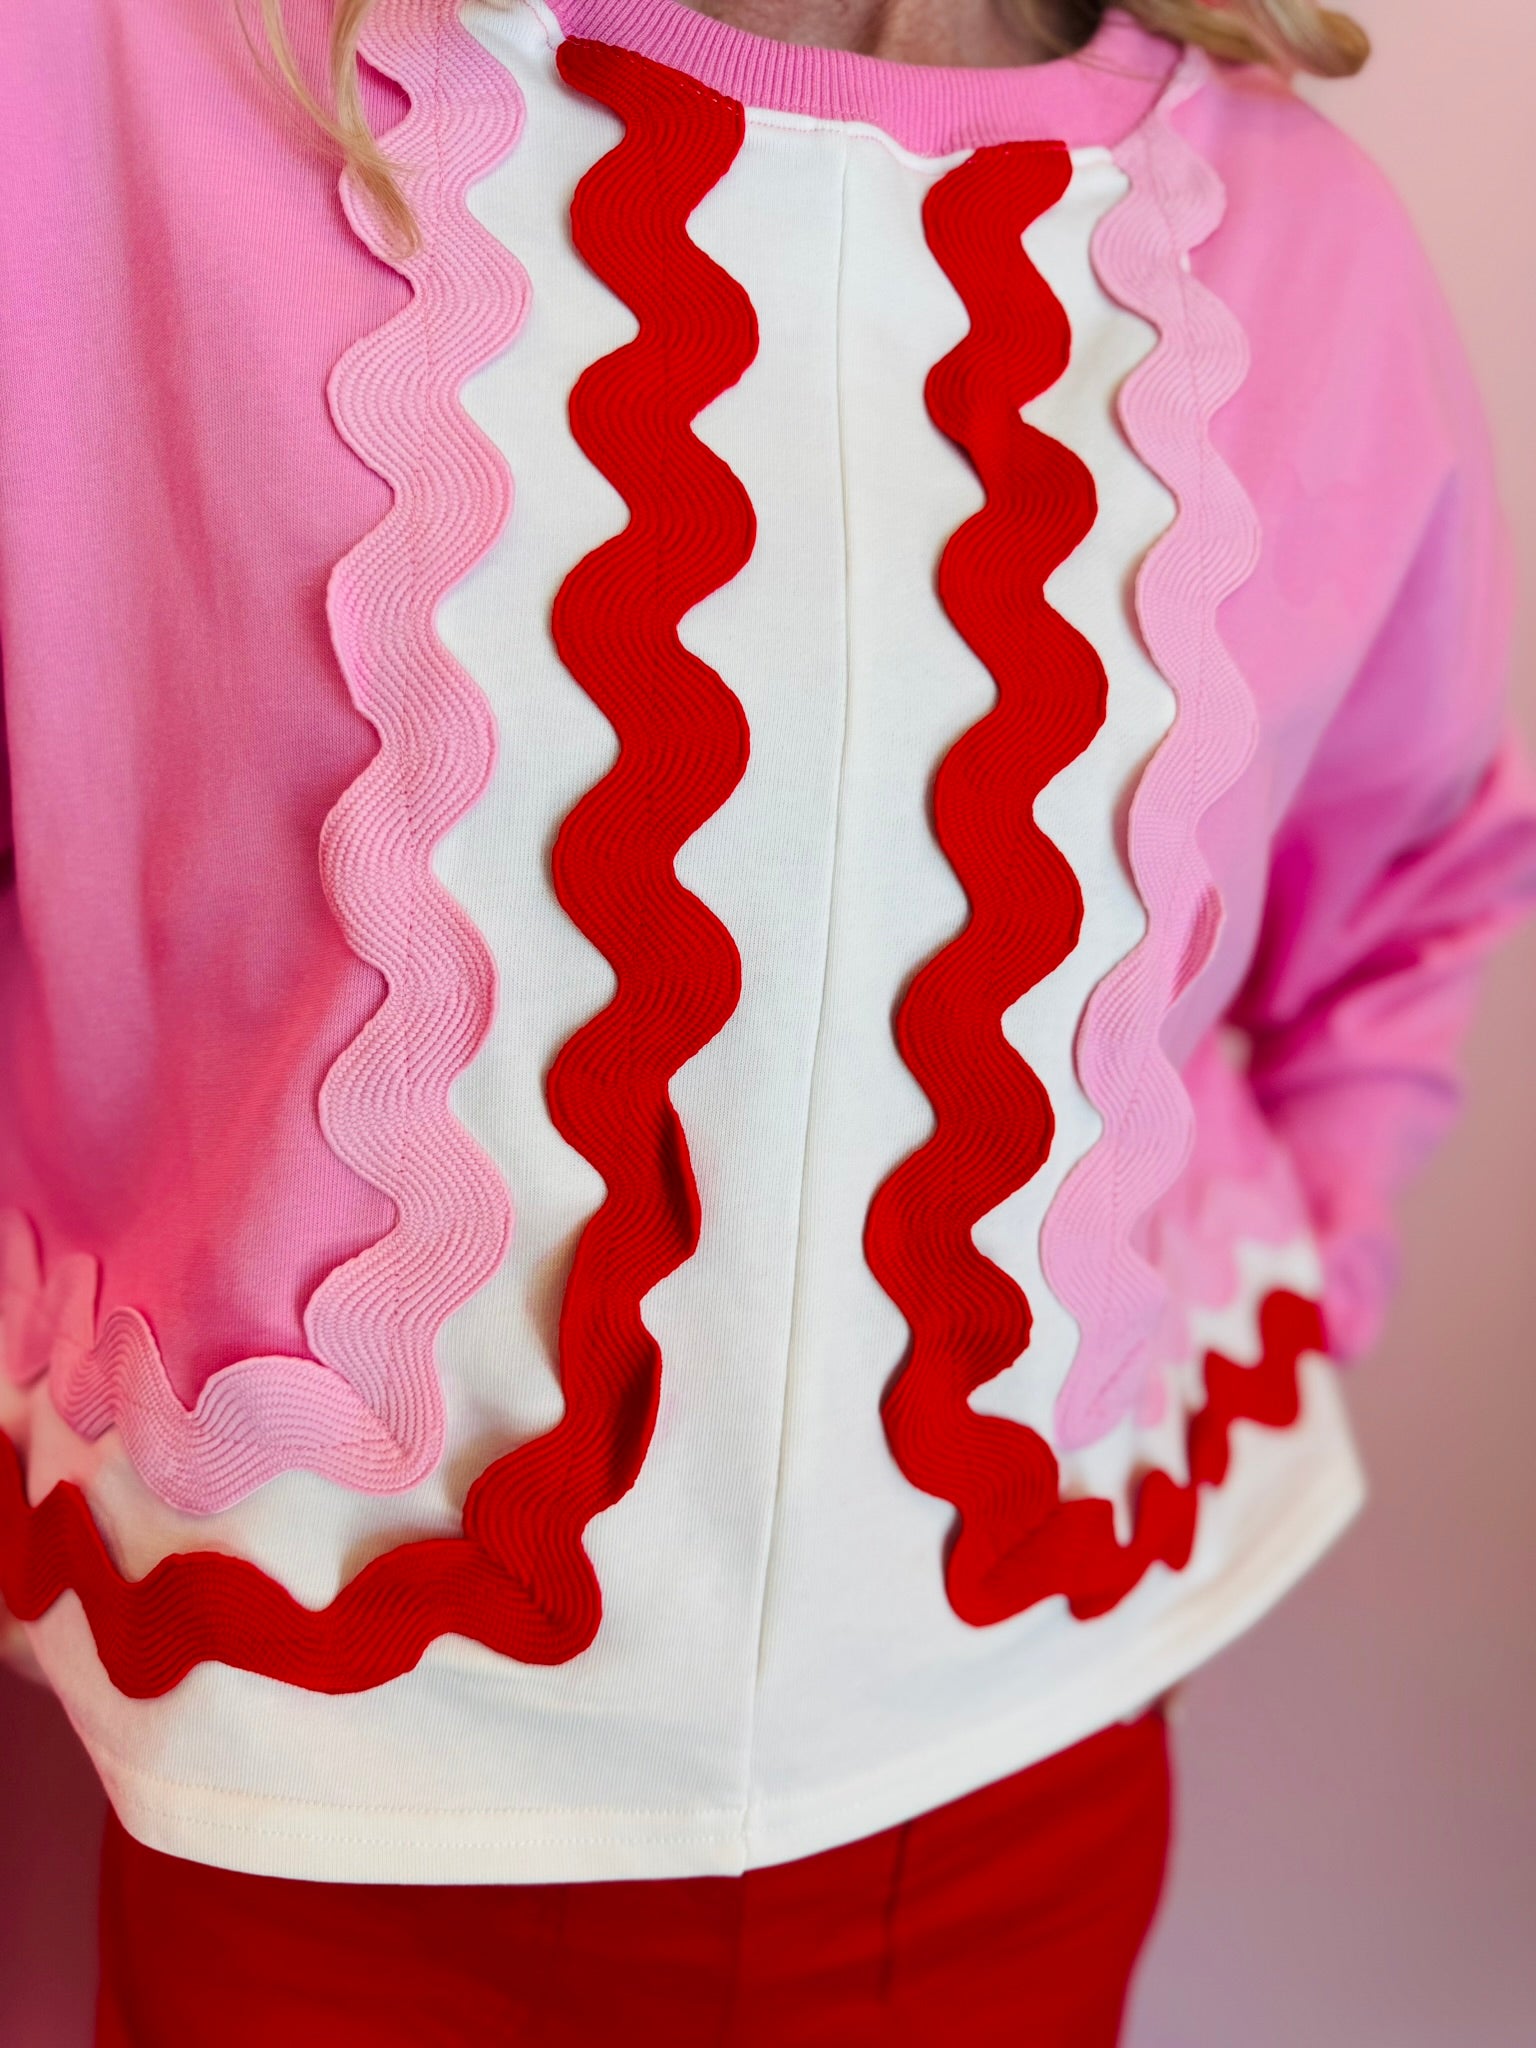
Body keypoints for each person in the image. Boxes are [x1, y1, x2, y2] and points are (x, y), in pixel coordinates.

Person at [1, 0, 1532, 2039]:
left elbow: (1410, 882)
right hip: (307, 1788)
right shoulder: (119, 84)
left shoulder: (1287, 242)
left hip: (1014, 1777)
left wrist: (1260, 1300)